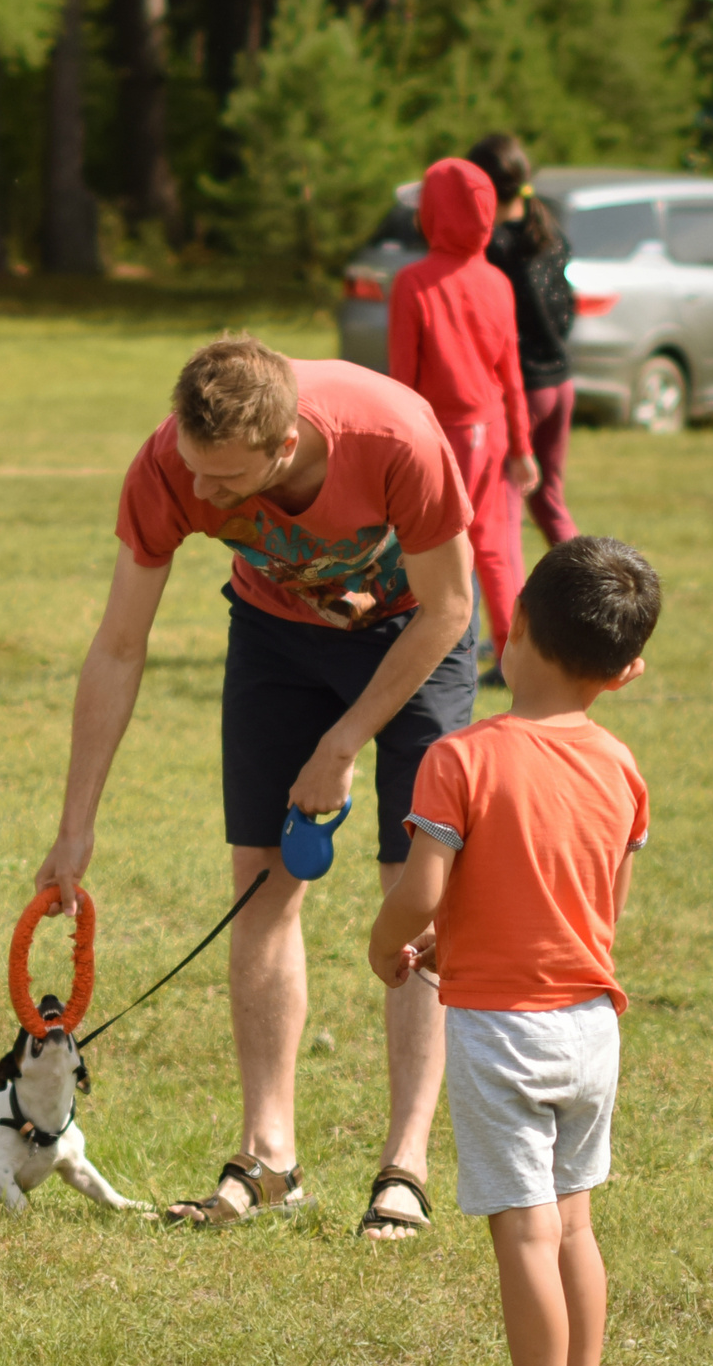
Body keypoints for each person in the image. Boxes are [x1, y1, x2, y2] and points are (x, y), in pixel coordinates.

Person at [32, 335, 478, 1237]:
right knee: (263, 887)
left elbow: (452, 607)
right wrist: (75, 827)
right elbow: (119, 645)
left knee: (417, 895)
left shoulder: (395, 440)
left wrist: (345, 741)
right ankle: (270, 1156)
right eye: (194, 471)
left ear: (285, 448)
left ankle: (407, 1166)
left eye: (225, 484)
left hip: (412, 641)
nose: (201, 498)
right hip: (276, 636)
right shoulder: (170, 466)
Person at [364, 536, 658, 1366]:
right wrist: (460, 944)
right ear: (627, 670)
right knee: (575, 1226)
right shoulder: (620, 767)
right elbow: (588, 903)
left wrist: (393, 948)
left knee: (525, 1235)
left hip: (502, 1034)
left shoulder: (460, 759)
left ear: (513, 629)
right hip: (591, 1027)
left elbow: (422, 891)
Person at [389, 157, 541, 675]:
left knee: (425, 548)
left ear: (431, 213)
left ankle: (425, 652)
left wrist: (392, 451)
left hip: (438, 438)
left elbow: (402, 380)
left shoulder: (413, 282)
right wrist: (522, 446)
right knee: (496, 551)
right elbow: (512, 374)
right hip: (493, 432)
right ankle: (516, 656)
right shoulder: (497, 281)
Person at [471, 134, 579, 550]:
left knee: (506, 504)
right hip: (561, 382)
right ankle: (586, 586)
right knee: (549, 500)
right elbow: (567, 308)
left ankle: (514, 602)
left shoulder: (496, 248)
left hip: (525, 391)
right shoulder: (549, 233)